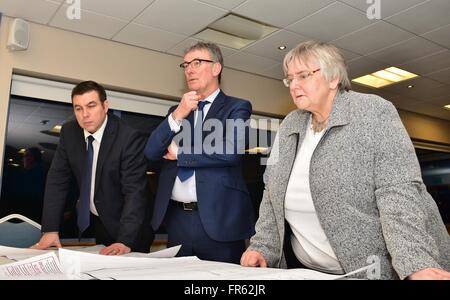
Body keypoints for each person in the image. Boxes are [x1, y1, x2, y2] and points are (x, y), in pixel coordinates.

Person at [240, 41, 450, 279]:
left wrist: (415, 261)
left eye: (303, 76)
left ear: (333, 79)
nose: (294, 85)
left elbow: (398, 191)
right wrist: (263, 246)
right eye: (290, 79)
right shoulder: (290, 124)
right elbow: (271, 192)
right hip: (311, 271)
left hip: (372, 270)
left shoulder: (373, 112)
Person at [144, 42, 255, 263]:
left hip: (220, 221)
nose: (189, 70)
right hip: (177, 222)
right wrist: (178, 114)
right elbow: (151, 152)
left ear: (216, 68)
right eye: (185, 65)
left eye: (197, 63)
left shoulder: (237, 107)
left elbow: (230, 151)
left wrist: (180, 155)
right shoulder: (177, 112)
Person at [32, 81, 153, 255]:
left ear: (105, 106)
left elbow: (135, 192)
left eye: (91, 106)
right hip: (101, 222)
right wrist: (50, 229)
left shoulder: (128, 137)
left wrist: (125, 240)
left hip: (132, 228)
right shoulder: (69, 132)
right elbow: (57, 181)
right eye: (78, 108)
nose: (85, 115)